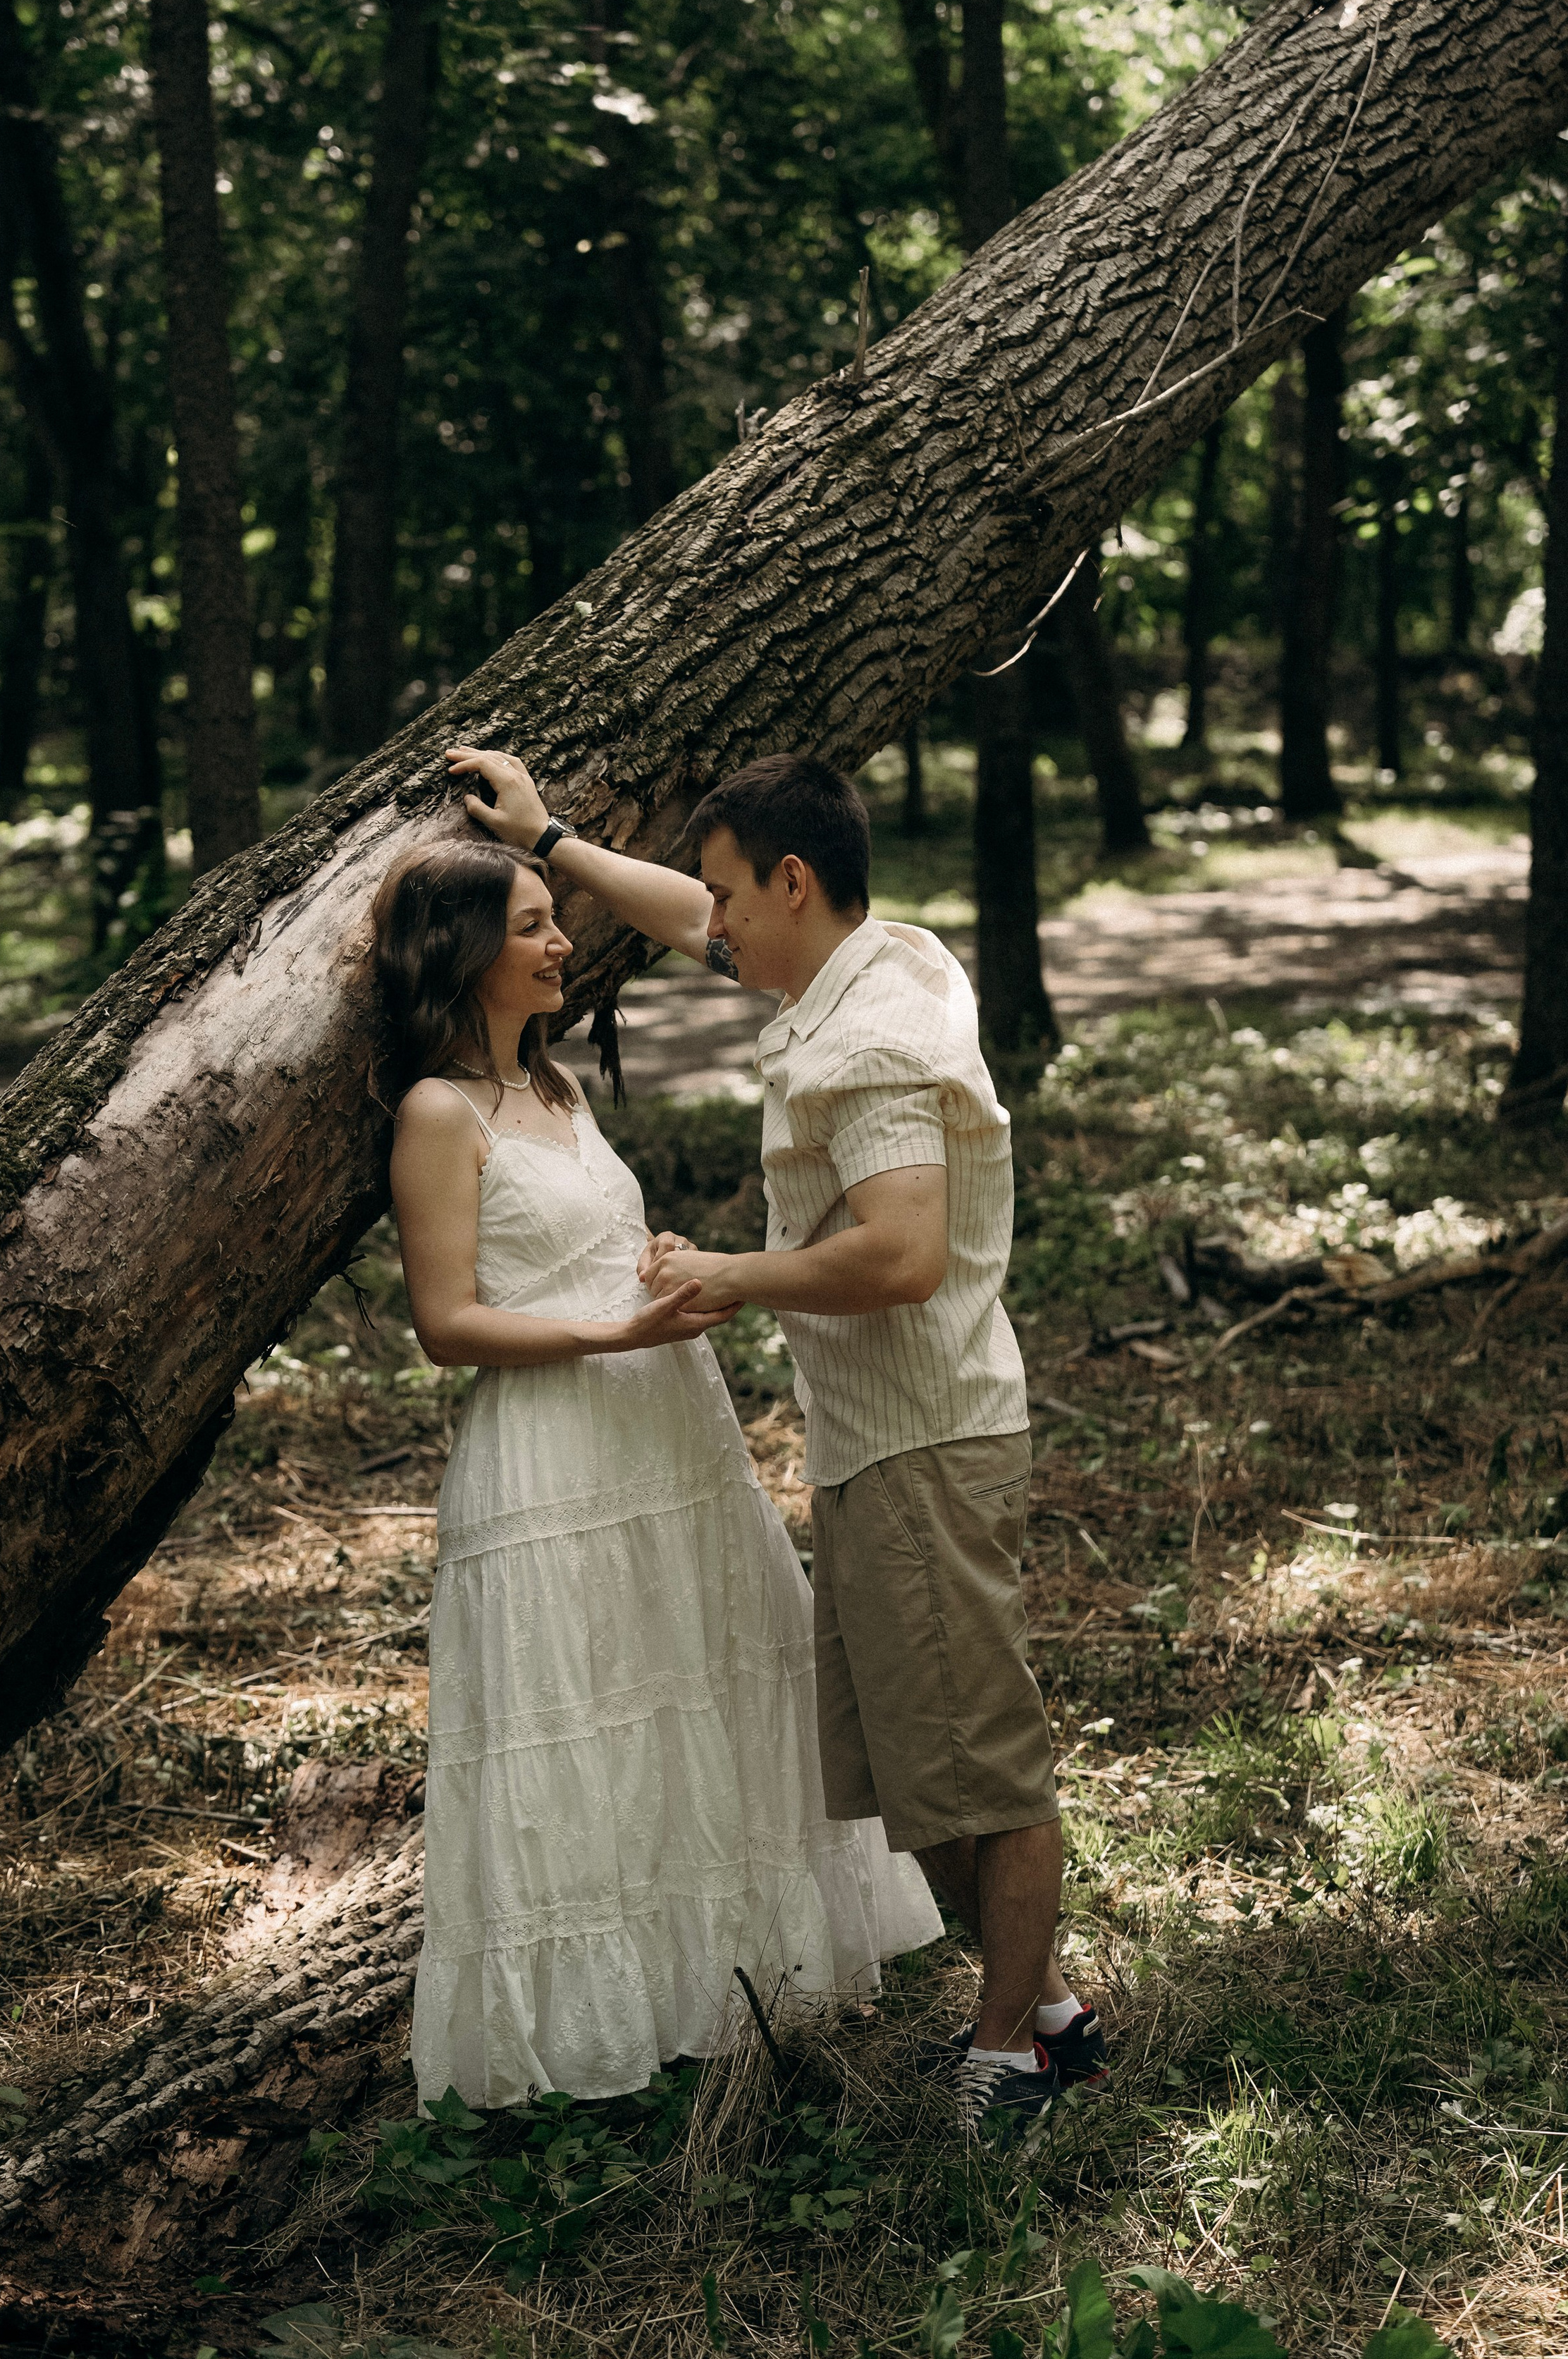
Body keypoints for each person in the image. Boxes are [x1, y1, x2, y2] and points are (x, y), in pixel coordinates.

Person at [447, 744, 1109, 2136]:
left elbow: (904, 1252)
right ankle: (1044, 2007)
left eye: (729, 895)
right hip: (881, 1435)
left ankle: (1008, 2057)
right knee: (904, 1762)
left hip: (924, 1438)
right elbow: (691, 916)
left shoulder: (869, 1041)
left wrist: (730, 1276)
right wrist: (553, 836)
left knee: (978, 1764)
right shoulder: (876, 959)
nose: (710, 924)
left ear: (790, 884)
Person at [374, 832, 940, 2112]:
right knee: (582, 1722)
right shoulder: (436, 1112)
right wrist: (608, 1330)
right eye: (531, 924)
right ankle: (589, 2043)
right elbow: (448, 1324)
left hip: (667, 1437)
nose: (562, 941)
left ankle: (728, 1990)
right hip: (553, 1455)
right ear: (463, 954)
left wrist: (655, 1266)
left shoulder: (561, 1093)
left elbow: (577, 1247)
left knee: (696, 1689)